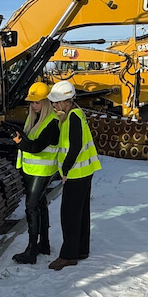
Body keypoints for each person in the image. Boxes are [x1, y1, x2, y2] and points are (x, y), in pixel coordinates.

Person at [46, 80, 101, 270]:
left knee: (69, 215)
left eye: (55, 101)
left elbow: (75, 146)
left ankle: (68, 255)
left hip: (76, 173)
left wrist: (66, 170)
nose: (53, 105)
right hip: (84, 171)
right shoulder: (74, 114)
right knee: (81, 213)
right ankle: (81, 249)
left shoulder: (73, 117)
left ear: (65, 101)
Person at [10, 82, 60, 264]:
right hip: (32, 169)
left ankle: (31, 251)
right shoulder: (35, 119)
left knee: (31, 206)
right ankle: (43, 244)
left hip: (42, 170)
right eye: (31, 102)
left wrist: (17, 140)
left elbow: (36, 147)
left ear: (46, 102)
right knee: (40, 204)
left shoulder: (51, 123)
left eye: (37, 102)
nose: (33, 106)